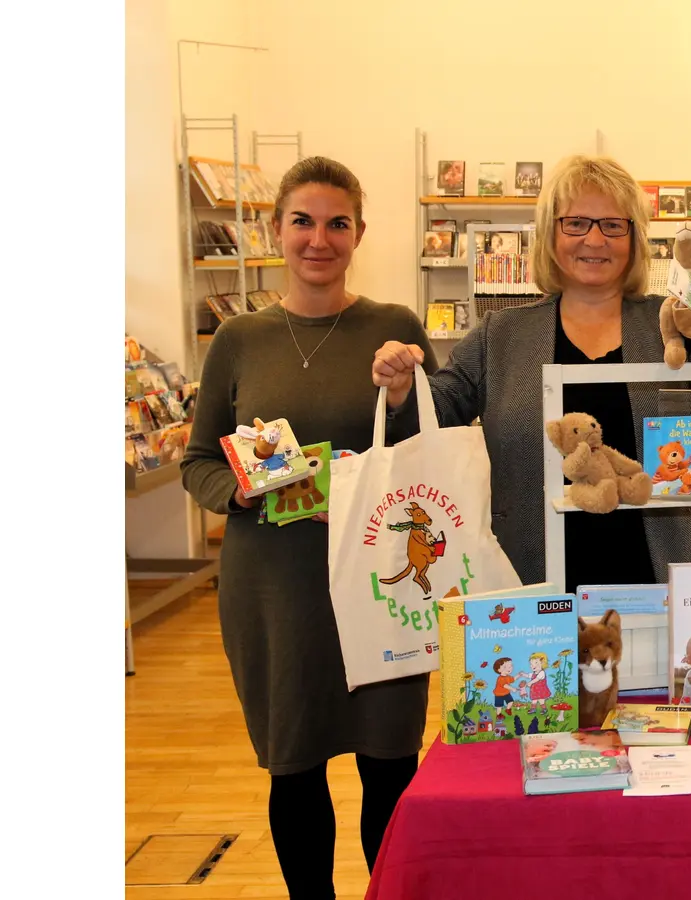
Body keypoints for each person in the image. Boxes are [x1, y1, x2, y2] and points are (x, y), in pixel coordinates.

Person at [181, 156, 439, 900]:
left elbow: (427, 445)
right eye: (302, 221)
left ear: (359, 233)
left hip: (378, 581)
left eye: (337, 223)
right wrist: (239, 491)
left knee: (390, 763)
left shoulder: (393, 328)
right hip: (275, 587)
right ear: (275, 229)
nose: (318, 239)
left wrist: (402, 391)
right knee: (294, 767)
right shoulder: (239, 340)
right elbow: (201, 459)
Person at [372, 155, 691, 594]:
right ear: (550, 234)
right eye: (576, 223)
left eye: (613, 225)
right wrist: (404, 387)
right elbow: (436, 410)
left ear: (634, 238)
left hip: (660, 586)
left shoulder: (673, 324)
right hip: (531, 590)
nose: (595, 239)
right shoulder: (501, 334)